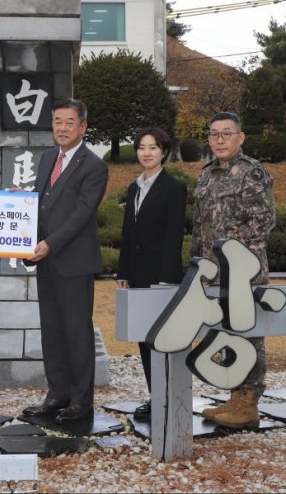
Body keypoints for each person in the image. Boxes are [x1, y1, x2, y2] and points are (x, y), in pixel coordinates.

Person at [21, 98, 109, 423]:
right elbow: (40, 202)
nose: (62, 127)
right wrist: (19, 204)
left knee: (76, 333)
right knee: (52, 332)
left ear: (83, 127)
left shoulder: (93, 165)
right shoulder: (47, 158)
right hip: (46, 263)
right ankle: (57, 395)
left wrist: (48, 245)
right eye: (57, 121)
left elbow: (80, 215)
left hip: (73, 263)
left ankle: (81, 402)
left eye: (69, 122)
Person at [193, 111, 275, 430]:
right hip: (212, 273)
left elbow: (263, 222)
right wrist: (197, 265)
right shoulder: (206, 174)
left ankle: (249, 401)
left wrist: (232, 252)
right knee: (225, 333)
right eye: (214, 134)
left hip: (244, 272)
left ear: (241, 137)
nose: (220, 140)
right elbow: (200, 226)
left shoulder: (251, 172)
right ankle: (234, 395)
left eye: (227, 133)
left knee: (249, 334)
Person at [115, 126, 187, 419]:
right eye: (142, 148)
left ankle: (171, 397)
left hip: (161, 277)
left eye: (153, 148)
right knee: (144, 339)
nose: (146, 153)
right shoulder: (134, 188)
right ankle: (156, 396)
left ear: (164, 152)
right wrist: (123, 271)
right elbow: (128, 233)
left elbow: (174, 238)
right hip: (137, 276)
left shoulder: (174, 189)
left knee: (163, 339)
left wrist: (166, 281)